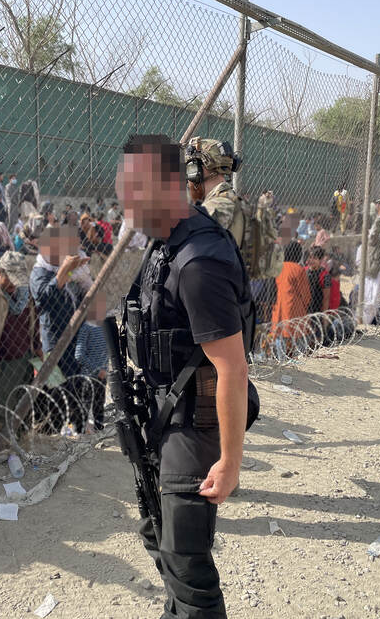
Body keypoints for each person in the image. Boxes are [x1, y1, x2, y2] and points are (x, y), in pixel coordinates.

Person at [114, 134, 256, 617]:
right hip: (162, 409)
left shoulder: (199, 261)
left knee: (187, 559)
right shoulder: (165, 242)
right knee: (155, 530)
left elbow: (232, 366)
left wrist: (230, 462)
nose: (124, 202)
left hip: (196, 417)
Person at [30, 225, 87, 430]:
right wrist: (63, 272)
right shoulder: (39, 272)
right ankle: (52, 427)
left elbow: (75, 294)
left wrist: (76, 270)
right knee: (56, 386)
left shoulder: (59, 270)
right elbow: (44, 299)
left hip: (72, 336)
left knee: (75, 382)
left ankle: (78, 424)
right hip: (53, 340)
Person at [0, 251, 40, 434]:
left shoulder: (24, 291)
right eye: (9, 279)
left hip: (24, 356)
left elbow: (34, 319)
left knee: (21, 402)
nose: (13, 285)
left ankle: (20, 437)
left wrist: (37, 346)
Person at [184, 137, 256, 279]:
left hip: (214, 285)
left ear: (199, 169)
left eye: (190, 167)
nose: (187, 178)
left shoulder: (219, 205)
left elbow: (187, 244)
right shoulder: (229, 199)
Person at [305, 246, 330, 313]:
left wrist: (324, 316)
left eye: (315, 258)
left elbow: (326, 298)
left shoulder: (324, 275)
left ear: (320, 260)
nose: (311, 260)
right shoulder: (304, 271)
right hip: (303, 308)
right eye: (310, 257)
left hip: (316, 310)